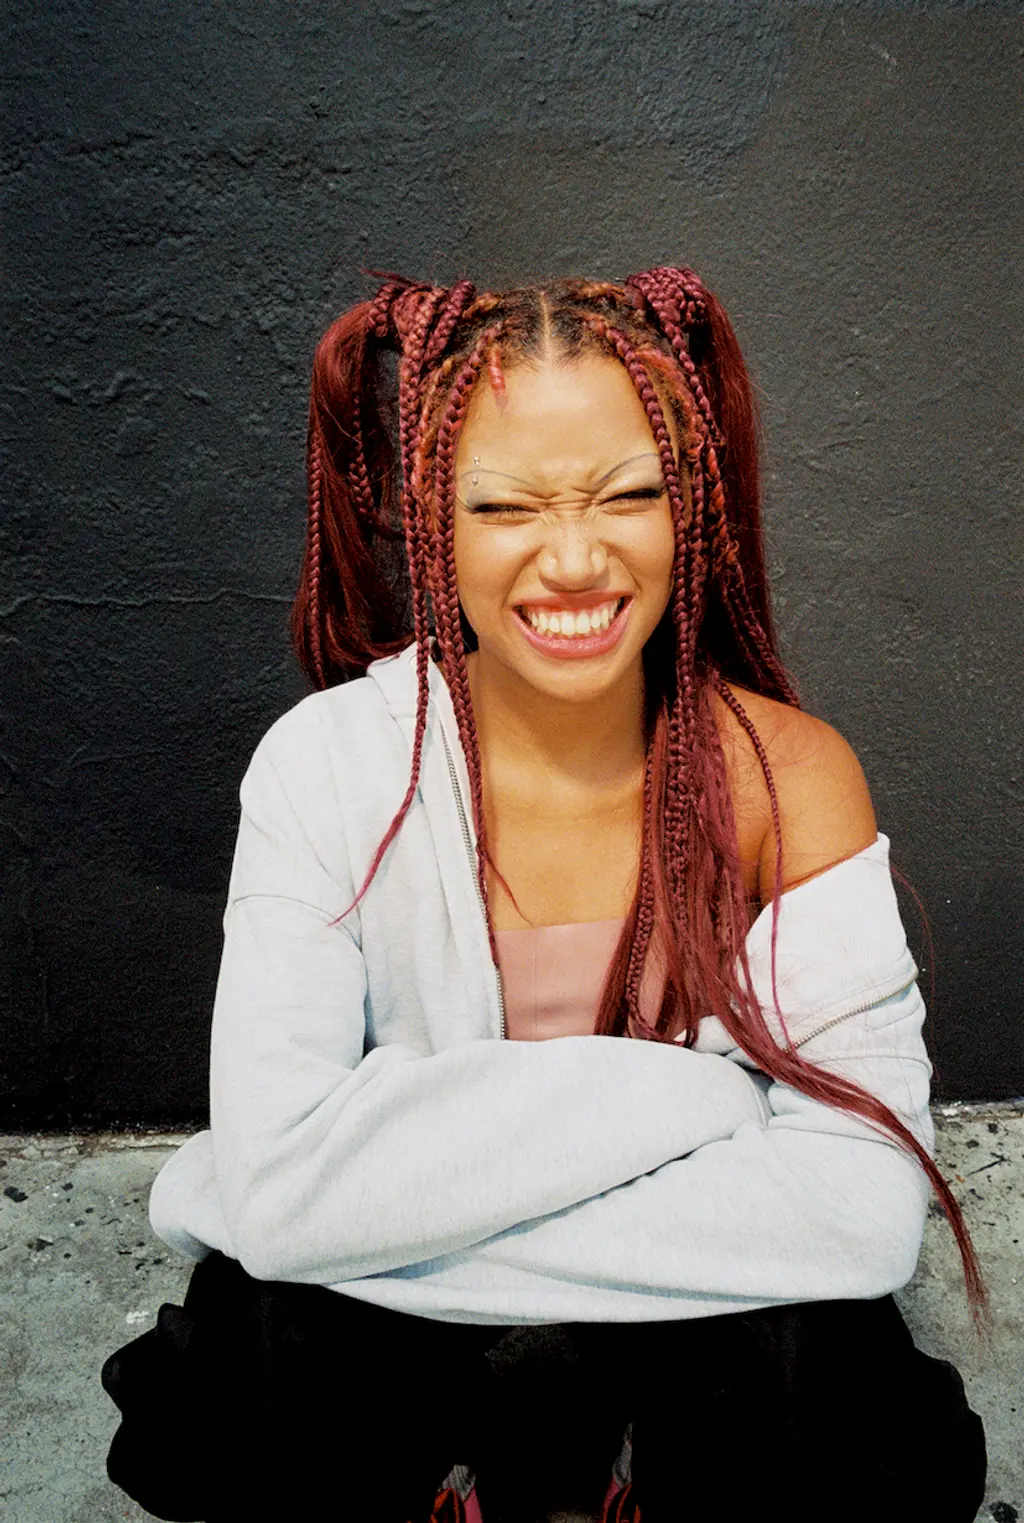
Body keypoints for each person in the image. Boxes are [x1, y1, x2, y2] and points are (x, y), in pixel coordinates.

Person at [102, 267, 987, 1523]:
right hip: (608, 1263)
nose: (573, 559)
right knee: (262, 1371)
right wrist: (707, 1101)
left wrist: (384, 1188)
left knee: (828, 1397)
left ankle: (648, 1466)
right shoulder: (327, 767)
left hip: (498, 1273)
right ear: (433, 518)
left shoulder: (786, 776)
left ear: (690, 504)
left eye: (628, 494)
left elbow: (860, 1211)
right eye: (505, 505)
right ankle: (441, 1472)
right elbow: (286, 1194)